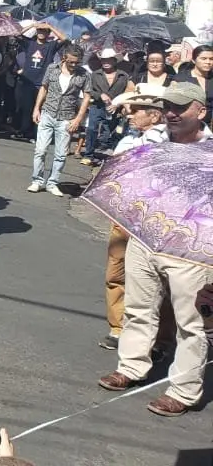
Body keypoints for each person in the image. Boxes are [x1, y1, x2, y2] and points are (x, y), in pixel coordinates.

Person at [99, 81, 212, 417]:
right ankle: (131, 367)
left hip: (191, 248)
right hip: (146, 236)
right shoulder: (151, 140)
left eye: (180, 107)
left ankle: (184, 390)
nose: (172, 113)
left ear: (200, 111)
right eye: (168, 107)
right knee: (138, 307)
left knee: (192, 323)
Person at [99, 85, 173, 351]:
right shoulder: (130, 139)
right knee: (116, 271)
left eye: (137, 109)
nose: (129, 113)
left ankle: (158, 338)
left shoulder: (168, 141)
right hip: (124, 213)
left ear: (155, 116)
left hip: (153, 219)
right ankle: (118, 327)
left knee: (158, 280)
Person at [28, 45, 89, 197]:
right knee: (40, 150)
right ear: (64, 58)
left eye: (77, 62)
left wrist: (78, 118)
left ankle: (52, 183)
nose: (74, 65)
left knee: (61, 154)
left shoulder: (83, 74)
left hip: (67, 117)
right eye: (71, 62)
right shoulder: (52, 68)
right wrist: (37, 108)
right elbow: (44, 88)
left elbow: (87, 97)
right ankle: (37, 180)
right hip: (48, 112)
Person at [13, 23, 67, 141]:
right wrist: (32, 25)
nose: (41, 33)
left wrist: (51, 27)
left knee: (39, 109)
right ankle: (24, 131)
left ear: (48, 33)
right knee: (25, 108)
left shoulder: (51, 45)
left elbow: (64, 38)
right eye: (40, 31)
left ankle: (35, 134)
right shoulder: (29, 43)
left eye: (44, 31)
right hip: (27, 81)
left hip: (41, 83)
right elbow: (16, 34)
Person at [81, 48, 130, 166]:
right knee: (92, 129)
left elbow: (127, 92)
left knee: (109, 133)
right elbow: (88, 91)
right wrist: (100, 95)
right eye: (103, 60)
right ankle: (89, 154)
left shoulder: (123, 76)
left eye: (108, 60)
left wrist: (118, 104)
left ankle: (106, 157)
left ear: (114, 61)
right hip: (97, 106)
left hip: (114, 108)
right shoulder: (95, 74)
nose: (106, 62)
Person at [176, 43, 212, 125]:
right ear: (193, 60)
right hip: (187, 124)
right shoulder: (181, 79)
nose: (208, 62)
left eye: (211, 59)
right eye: (204, 58)